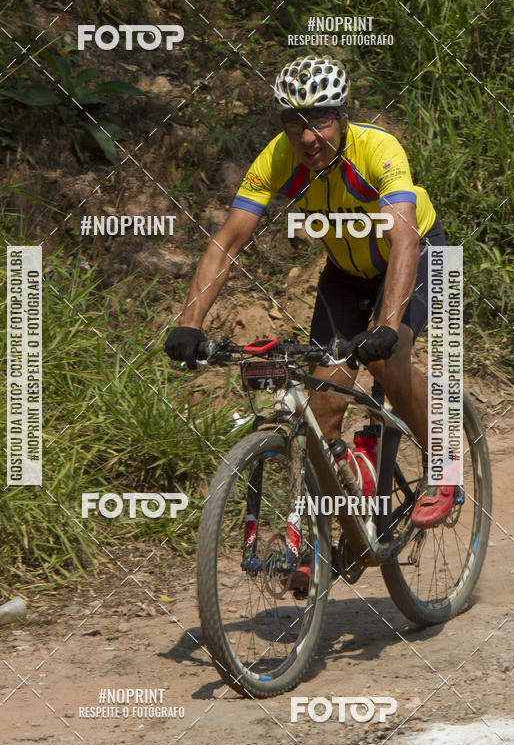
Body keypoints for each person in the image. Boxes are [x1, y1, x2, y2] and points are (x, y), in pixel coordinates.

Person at [164, 56, 459, 529]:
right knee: (322, 398)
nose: (306, 138)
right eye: (293, 122)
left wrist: (386, 325)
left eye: (319, 120)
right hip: (345, 272)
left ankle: (443, 460)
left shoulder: (378, 149)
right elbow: (228, 241)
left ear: (343, 118)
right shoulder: (278, 159)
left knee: (388, 355)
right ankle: (339, 531)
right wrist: (190, 322)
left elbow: (403, 239)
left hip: (417, 254)